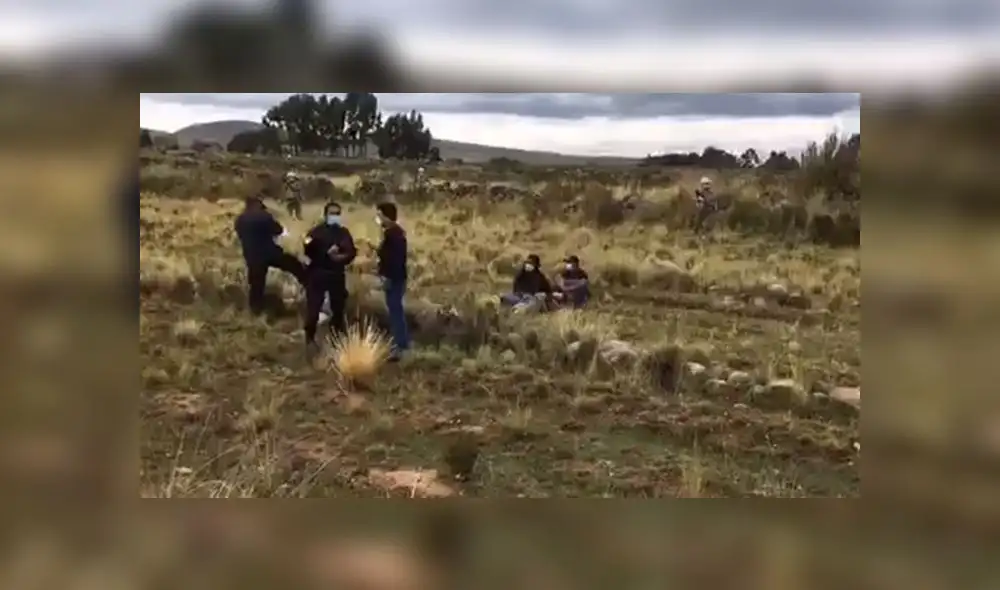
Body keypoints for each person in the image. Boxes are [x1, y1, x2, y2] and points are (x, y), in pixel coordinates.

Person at [234, 196, 306, 316]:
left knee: (256, 285)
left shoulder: (240, 220)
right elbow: (277, 230)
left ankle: (255, 312)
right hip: (270, 253)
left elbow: (240, 235)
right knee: (294, 265)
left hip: (252, 256)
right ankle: (309, 286)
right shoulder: (264, 216)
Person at [302, 201, 357, 358]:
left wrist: (340, 257)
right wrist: (324, 253)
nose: (335, 216)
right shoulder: (315, 232)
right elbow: (307, 250)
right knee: (313, 308)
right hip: (317, 274)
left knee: (338, 308)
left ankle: (337, 338)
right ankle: (310, 338)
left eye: (338, 213)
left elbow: (351, 252)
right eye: (332, 213)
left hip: (336, 275)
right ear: (325, 214)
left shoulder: (343, 233)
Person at [375, 201, 410, 362]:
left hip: (393, 278)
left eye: (380, 214)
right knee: (396, 311)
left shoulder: (392, 234)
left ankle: (400, 347)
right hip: (398, 277)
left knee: (396, 312)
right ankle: (401, 344)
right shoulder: (396, 233)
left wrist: (387, 277)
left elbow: (394, 259)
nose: (378, 218)